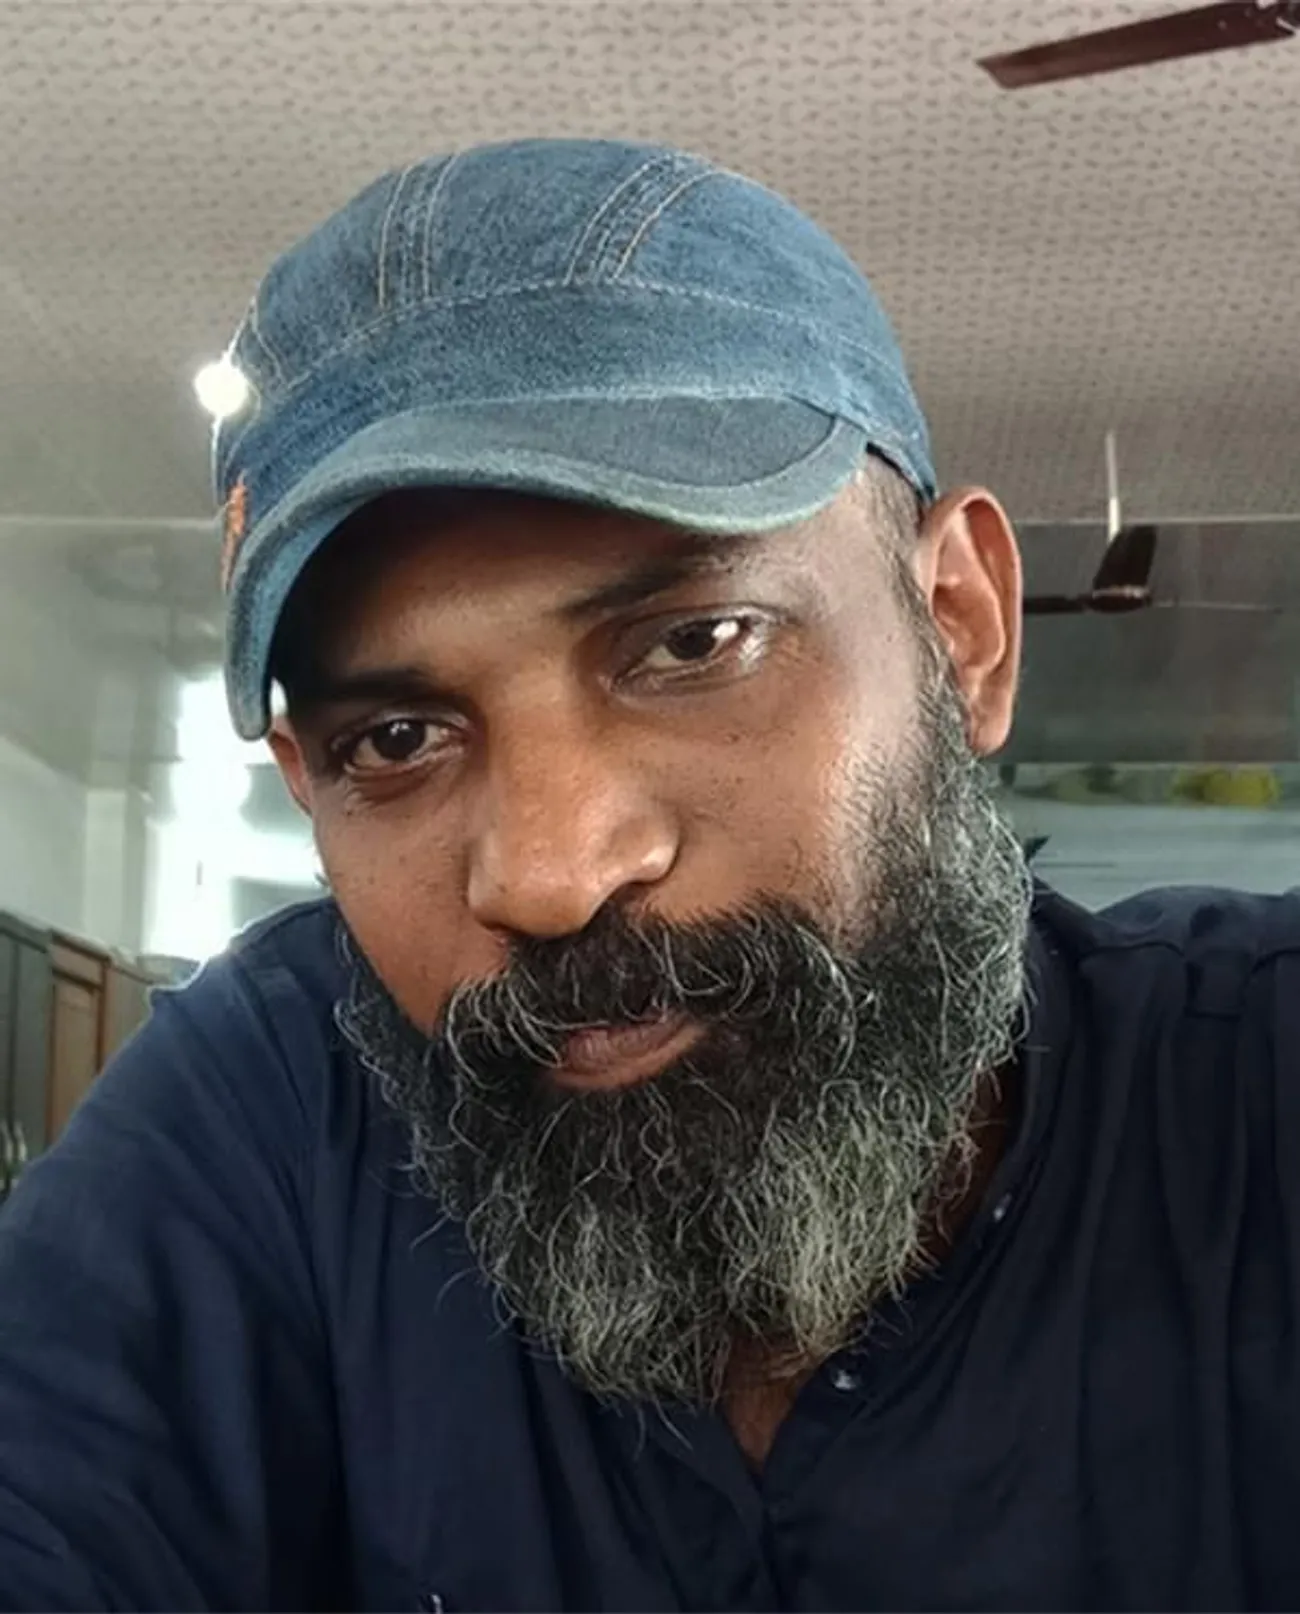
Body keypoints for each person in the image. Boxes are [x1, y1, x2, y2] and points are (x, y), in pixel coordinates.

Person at [0, 137, 1297, 1614]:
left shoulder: (1254, 1086)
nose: (550, 874)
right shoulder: (279, 1112)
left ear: (960, 628)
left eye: (695, 644)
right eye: (400, 738)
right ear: (309, 787)